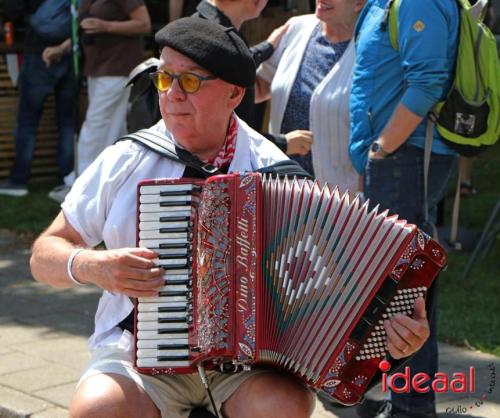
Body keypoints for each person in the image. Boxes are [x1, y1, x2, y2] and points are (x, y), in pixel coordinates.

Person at [30, 17, 430, 418]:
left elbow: (336, 296)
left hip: (248, 367)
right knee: (97, 410)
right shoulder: (129, 158)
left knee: (282, 407)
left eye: (189, 81)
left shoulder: (275, 172)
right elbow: (44, 252)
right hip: (136, 356)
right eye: (164, 78)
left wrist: (388, 336)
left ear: (235, 94)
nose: (171, 94)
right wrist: (90, 265)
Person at [349, 1, 459, 417]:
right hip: (394, 159)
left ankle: (410, 407)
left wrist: (382, 149)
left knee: (405, 293)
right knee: (396, 289)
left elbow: (429, 79)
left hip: (406, 157)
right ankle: (400, 400)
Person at [255, 0, 365, 193]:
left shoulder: (371, 48)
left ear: (359, 3)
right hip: (280, 189)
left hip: (340, 198)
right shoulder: (297, 27)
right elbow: (257, 89)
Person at [49, 0, 151, 203]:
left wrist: (106, 26)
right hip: (97, 69)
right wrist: (61, 48)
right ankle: (115, 186)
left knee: (94, 128)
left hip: (119, 69)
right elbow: (84, 28)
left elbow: (144, 24)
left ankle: (81, 189)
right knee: (115, 128)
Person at [0, 0, 76, 198]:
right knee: (67, 122)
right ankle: (67, 177)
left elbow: (12, 9)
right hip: (70, 49)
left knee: (28, 120)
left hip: (39, 51)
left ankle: (19, 179)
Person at [192, 0, 289, 131]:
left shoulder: (199, 27)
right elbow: (228, 137)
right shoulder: (220, 42)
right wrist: (285, 143)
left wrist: (268, 46)